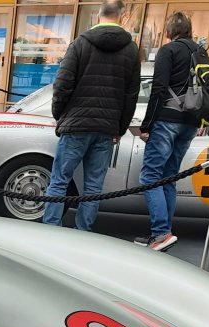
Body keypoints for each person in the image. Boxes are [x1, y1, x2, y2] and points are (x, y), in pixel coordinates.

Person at [42, 0, 140, 232]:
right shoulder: (131, 49)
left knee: (59, 180)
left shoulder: (80, 44)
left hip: (75, 125)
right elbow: (131, 95)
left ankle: (50, 229)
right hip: (106, 129)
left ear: (98, 15)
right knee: (94, 185)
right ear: (122, 16)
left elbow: (62, 84)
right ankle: (83, 233)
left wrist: (60, 116)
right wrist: (120, 128)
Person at [136, 12, 201, 252]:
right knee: (169, 177)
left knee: (150, 177)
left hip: (167, 120)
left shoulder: (168, 51)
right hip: (191, 122)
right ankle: (163, 232)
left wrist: (146, 126)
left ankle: (161, 232)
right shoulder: (200, 52)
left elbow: (159, 89)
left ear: (168, 32)